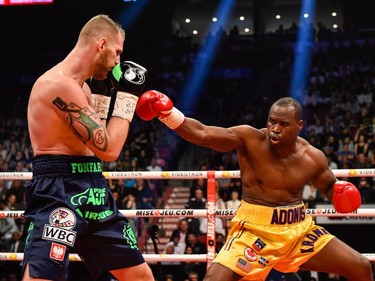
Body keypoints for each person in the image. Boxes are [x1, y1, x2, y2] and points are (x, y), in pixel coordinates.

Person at [136, 92, 372, 281]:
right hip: (254, 231)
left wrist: (340, 192)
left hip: (299, 231)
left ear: (299, 125)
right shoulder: (250, 140)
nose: (275, 128)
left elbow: (330, 186)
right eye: (272, 121)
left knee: (361, 267)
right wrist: (168, 114)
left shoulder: (313, 157)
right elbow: (204, 133)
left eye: (283, 124)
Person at [22, 15, 154, 281]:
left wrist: (104, 95)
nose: (118, 61)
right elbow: (110, 149)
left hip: (92, 187)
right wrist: (128, 96)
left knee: (140, 276)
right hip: (58, 190)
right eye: (117, 52)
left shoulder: (82, 87)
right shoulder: (58, 85)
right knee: (42, 277)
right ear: (101, 44)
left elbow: (95, 144)